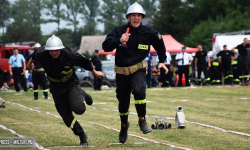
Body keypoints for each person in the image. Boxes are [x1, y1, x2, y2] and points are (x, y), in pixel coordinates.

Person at [102, 2, 168, 144]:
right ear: (128, 17)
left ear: (142, 17)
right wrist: (119, 40)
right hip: (121, 72)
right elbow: (105, 46)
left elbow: (160, 44)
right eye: (133, 15)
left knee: (138, 90)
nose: (136, 18)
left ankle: (142, 120)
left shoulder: (149, 32)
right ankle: (124, 125)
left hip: (138, 69)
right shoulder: (119, 30)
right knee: (123, 103)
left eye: (139, 15)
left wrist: (162, 60)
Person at [27, 35, 104, 145]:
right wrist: (29, 65)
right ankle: (82, 135)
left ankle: (81, 93)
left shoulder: (69, 54)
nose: (54, 53)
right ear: (48, 50)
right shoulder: (41, 53)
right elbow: (33, 56)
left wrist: (95, 73)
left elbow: (85, 62)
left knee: (79, 109)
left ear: (61, 48)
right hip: (55, 86)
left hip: (71, 83)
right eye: (51, 51)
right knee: (67, 118)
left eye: (56, 50)